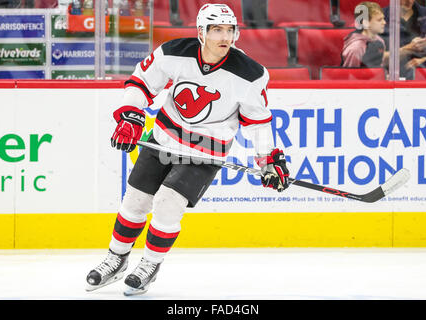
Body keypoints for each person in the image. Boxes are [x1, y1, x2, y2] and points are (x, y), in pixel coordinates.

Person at [85, 3, 290, 296]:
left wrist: (268, 158)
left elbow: (257, 121)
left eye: (229, 30)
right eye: (216, 29)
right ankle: (116, 258)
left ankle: (150, 265)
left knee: (168, 203)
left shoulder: (250, 74)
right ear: (201, 32)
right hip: (163, 138)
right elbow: (142, 82)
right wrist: (130, 113)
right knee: (135, 202)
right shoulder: (174, 52)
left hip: (205, 151)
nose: (224, 36)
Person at [381, 0, 426, 79]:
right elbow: (376, 56)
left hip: (424, 70)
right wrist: (408, 48)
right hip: (394, 71)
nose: (409, 1)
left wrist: (424, 60)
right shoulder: (381, 17)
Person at [341, 2, 388, 68]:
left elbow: (380, 67)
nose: (384, 22)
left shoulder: (380, 41)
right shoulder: (356, 48)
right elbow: (350, 75)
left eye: (383, 19)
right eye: (379, 20)